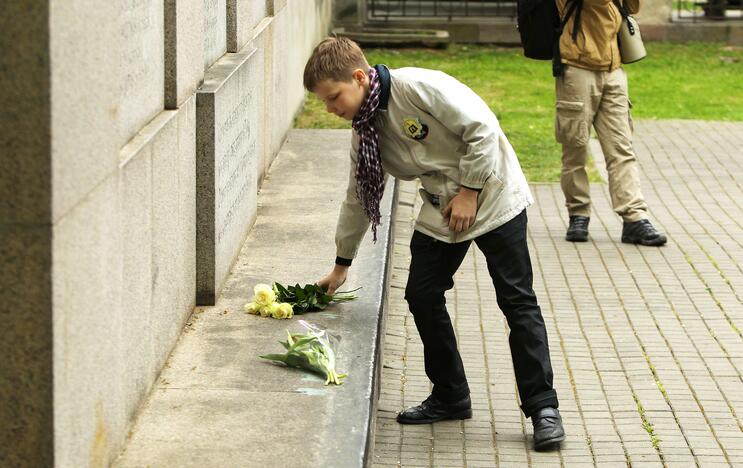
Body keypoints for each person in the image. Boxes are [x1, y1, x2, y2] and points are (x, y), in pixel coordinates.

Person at [303, 37, 565, 451]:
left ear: (358, 77)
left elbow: (483, 129)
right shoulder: (366, 132)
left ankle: (543, 408)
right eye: (325, 103)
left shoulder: (420, 87)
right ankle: (451, 395)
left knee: (516, 299)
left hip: (493, 193)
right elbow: (356, 196)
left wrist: (470, 191)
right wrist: (342, 263)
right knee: (422, 295)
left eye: (334, 98)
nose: (331, 109)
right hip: (444, 207)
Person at [555, 0, 667, 246]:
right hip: (577, 67)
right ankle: (578, 214)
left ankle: (634, 218)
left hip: (613, 70)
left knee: (621, 148)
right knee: (575, 148)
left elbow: (633, 7)